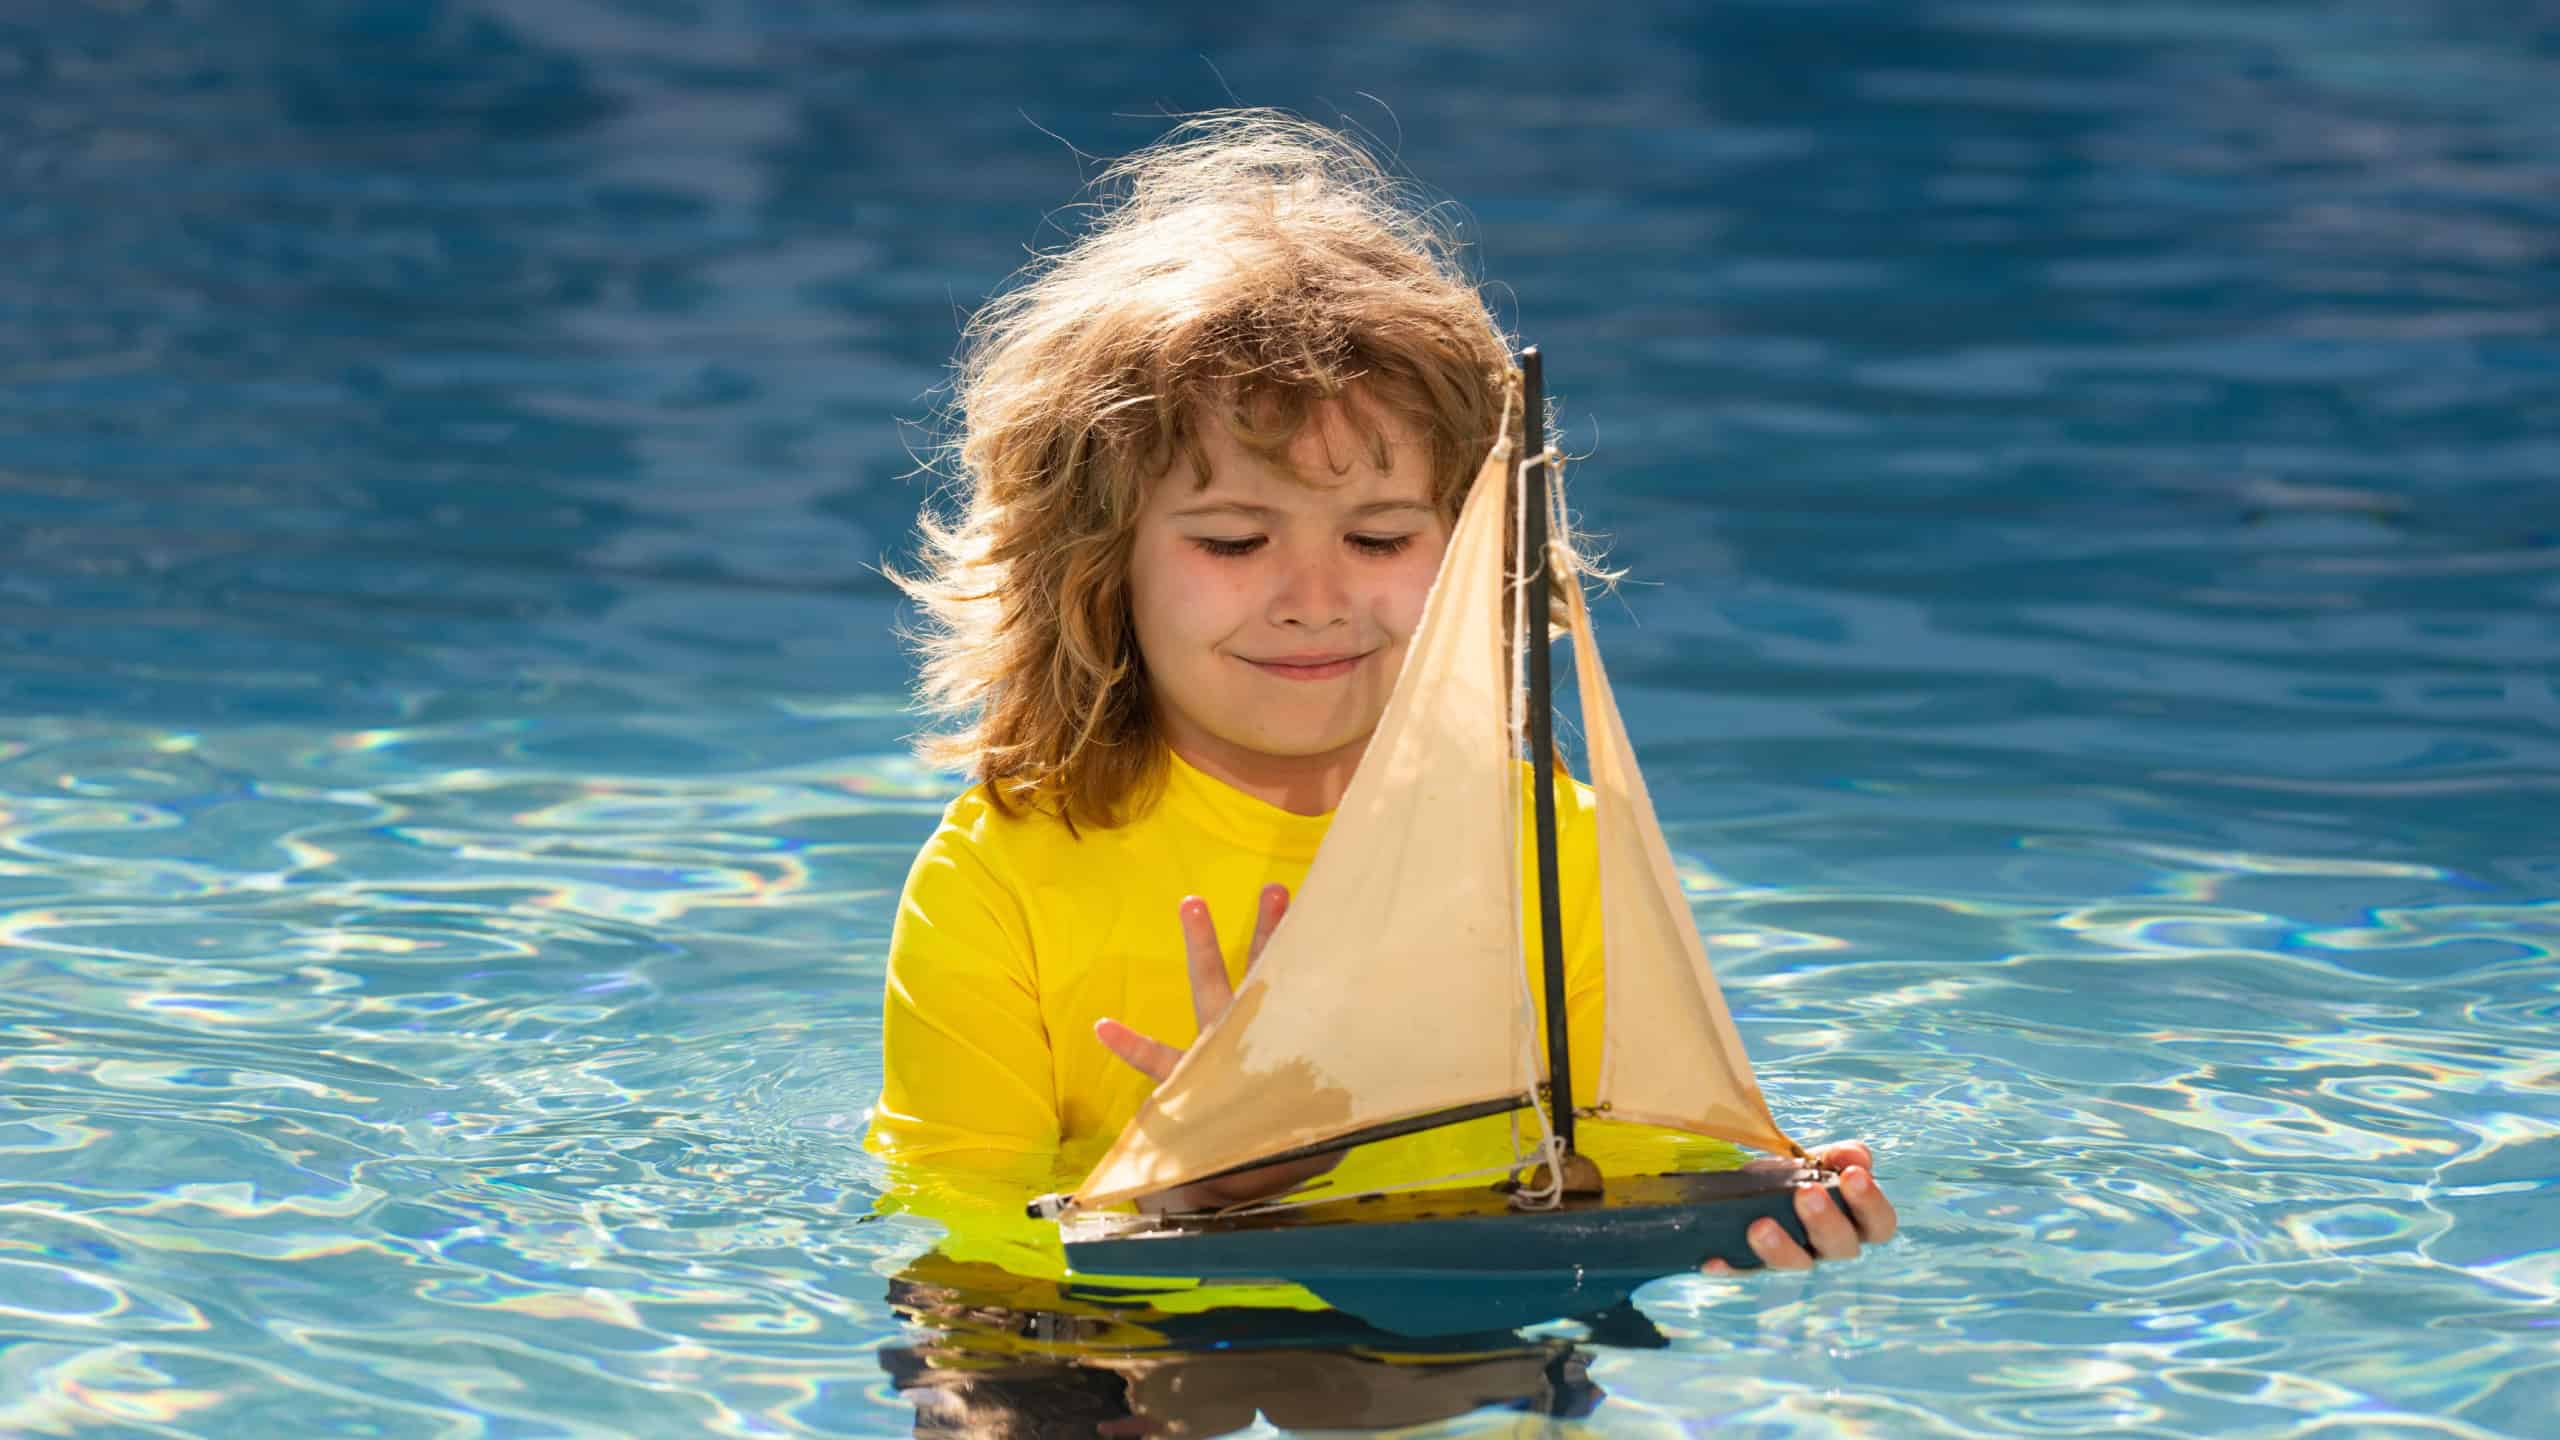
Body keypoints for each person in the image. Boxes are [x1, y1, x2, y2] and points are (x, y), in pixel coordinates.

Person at [866, 111, 1896, 1271]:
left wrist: (1767, 1204)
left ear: (1474, 553)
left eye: (1376, 535)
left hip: (1449, 1326)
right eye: (1233, 541)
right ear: (1096, 571)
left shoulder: (1547, 849)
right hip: (1097, 1336)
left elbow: (1628, 1155)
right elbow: (949, 1229)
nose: (1314, 598)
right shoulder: (1003, 877)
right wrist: (1189, 1191)